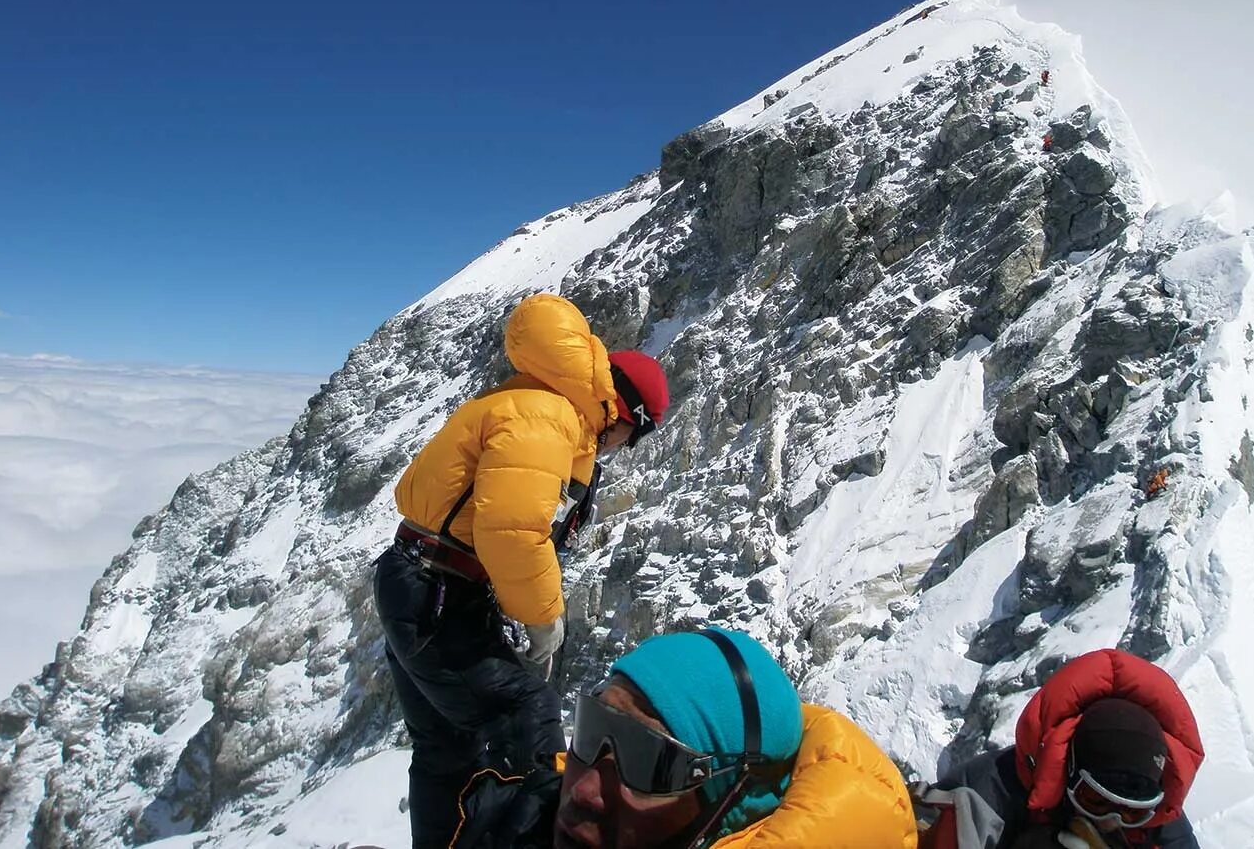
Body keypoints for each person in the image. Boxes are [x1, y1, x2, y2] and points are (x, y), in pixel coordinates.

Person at [373, 293, 670, 849]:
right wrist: (543, 618)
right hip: (437, 592)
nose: (629, 446)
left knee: (445, 749)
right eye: (638, 432)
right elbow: (510, 530)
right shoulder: (549, 418)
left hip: (420, 583)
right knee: (525, 713)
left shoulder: (541, 407)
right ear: (627, 413)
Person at [459, 627, 918, 848]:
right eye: (591, 729)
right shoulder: (510, 819)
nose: (584, 789)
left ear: (733, 804)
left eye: (649, 762)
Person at [922, 649, 1204, 848]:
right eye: (1094, 799)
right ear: (1067, 768)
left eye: (1132, 812)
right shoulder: (984, 795)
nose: (1111, 821)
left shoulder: (1160, 824)